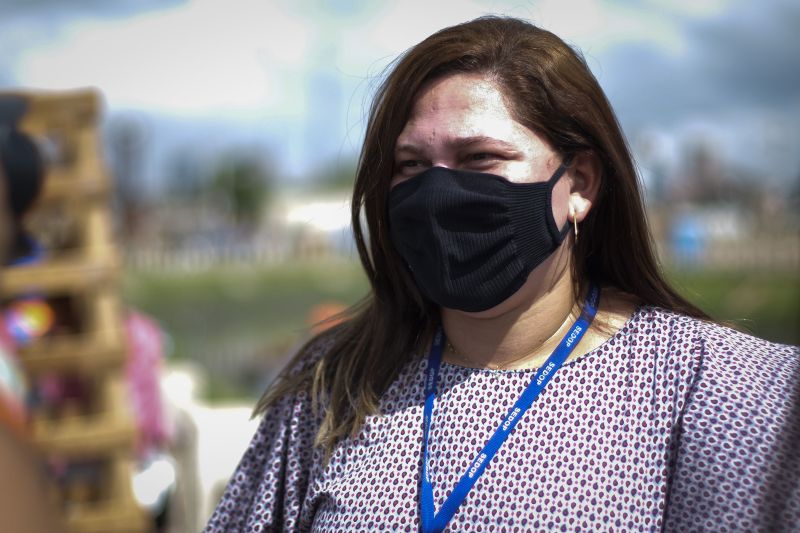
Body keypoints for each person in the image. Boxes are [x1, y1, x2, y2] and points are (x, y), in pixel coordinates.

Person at [205, 16, 799, 532]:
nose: (439, 191)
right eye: (411, 165)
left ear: (581, 184)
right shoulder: (333, 384)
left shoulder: (718, 394)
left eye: (480, 158)